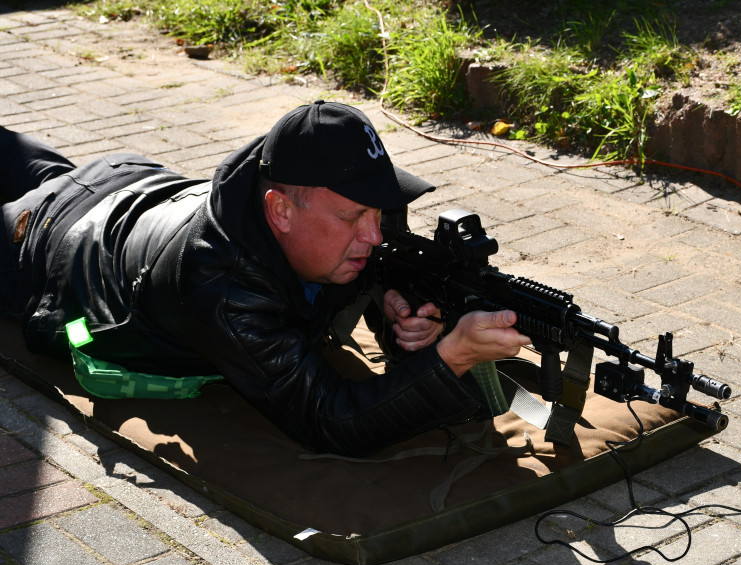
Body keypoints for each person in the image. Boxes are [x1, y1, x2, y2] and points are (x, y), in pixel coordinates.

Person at [0, 101, 532, 454]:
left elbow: (368, 273)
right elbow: (327, 421)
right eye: (353, 218)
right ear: (280, 212)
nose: (375, 237)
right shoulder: (223, 290)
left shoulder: (300, 181)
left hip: (128, 181)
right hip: (44, 240)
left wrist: (395, 312)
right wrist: (452, 356)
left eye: (381, 212)